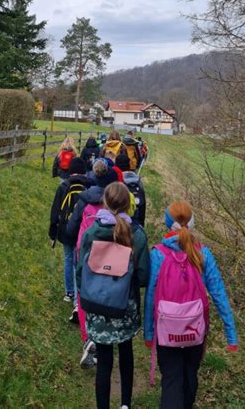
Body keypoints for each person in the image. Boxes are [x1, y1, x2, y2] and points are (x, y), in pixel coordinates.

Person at [144, 200, 238, 409]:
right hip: (195, 330)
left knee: (171, 379)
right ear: (192, 223)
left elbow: (151, 296)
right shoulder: (203, 254)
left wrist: (149, 334)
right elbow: (219, 294)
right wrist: (231, 334)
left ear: (167, 224)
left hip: (166, 331)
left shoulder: (158, 254)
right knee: (190, 376)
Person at [76, 182, 150, 409]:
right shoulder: (136, 235)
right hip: (124, 307)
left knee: (104, 360)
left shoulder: (91, 232)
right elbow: (144, 277)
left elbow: (80, 272)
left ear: (105, 203)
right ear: (129, 205)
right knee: (126, 352)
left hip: (97, 305)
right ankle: (125, 404)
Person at [67, 160, 119, 337]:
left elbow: (72, 226)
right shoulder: (114, 201)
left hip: (85, 250)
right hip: (109, 254)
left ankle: (86, 330)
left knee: (82, 284)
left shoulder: (85, 200)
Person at [48, 157, 92, 311]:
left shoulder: (63, 187)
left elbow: (55, 212)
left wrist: (53, 233)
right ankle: (80, 295)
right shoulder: (89, 188)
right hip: (83, 231)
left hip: (66, 230)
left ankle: (69, 292)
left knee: (68, 258)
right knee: (79, 262)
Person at [116, 153, 146, 227]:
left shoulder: (117, 181)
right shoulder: (138, 180)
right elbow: (143, 204)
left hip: (120, 224)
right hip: (136, 223)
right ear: (129, 165)